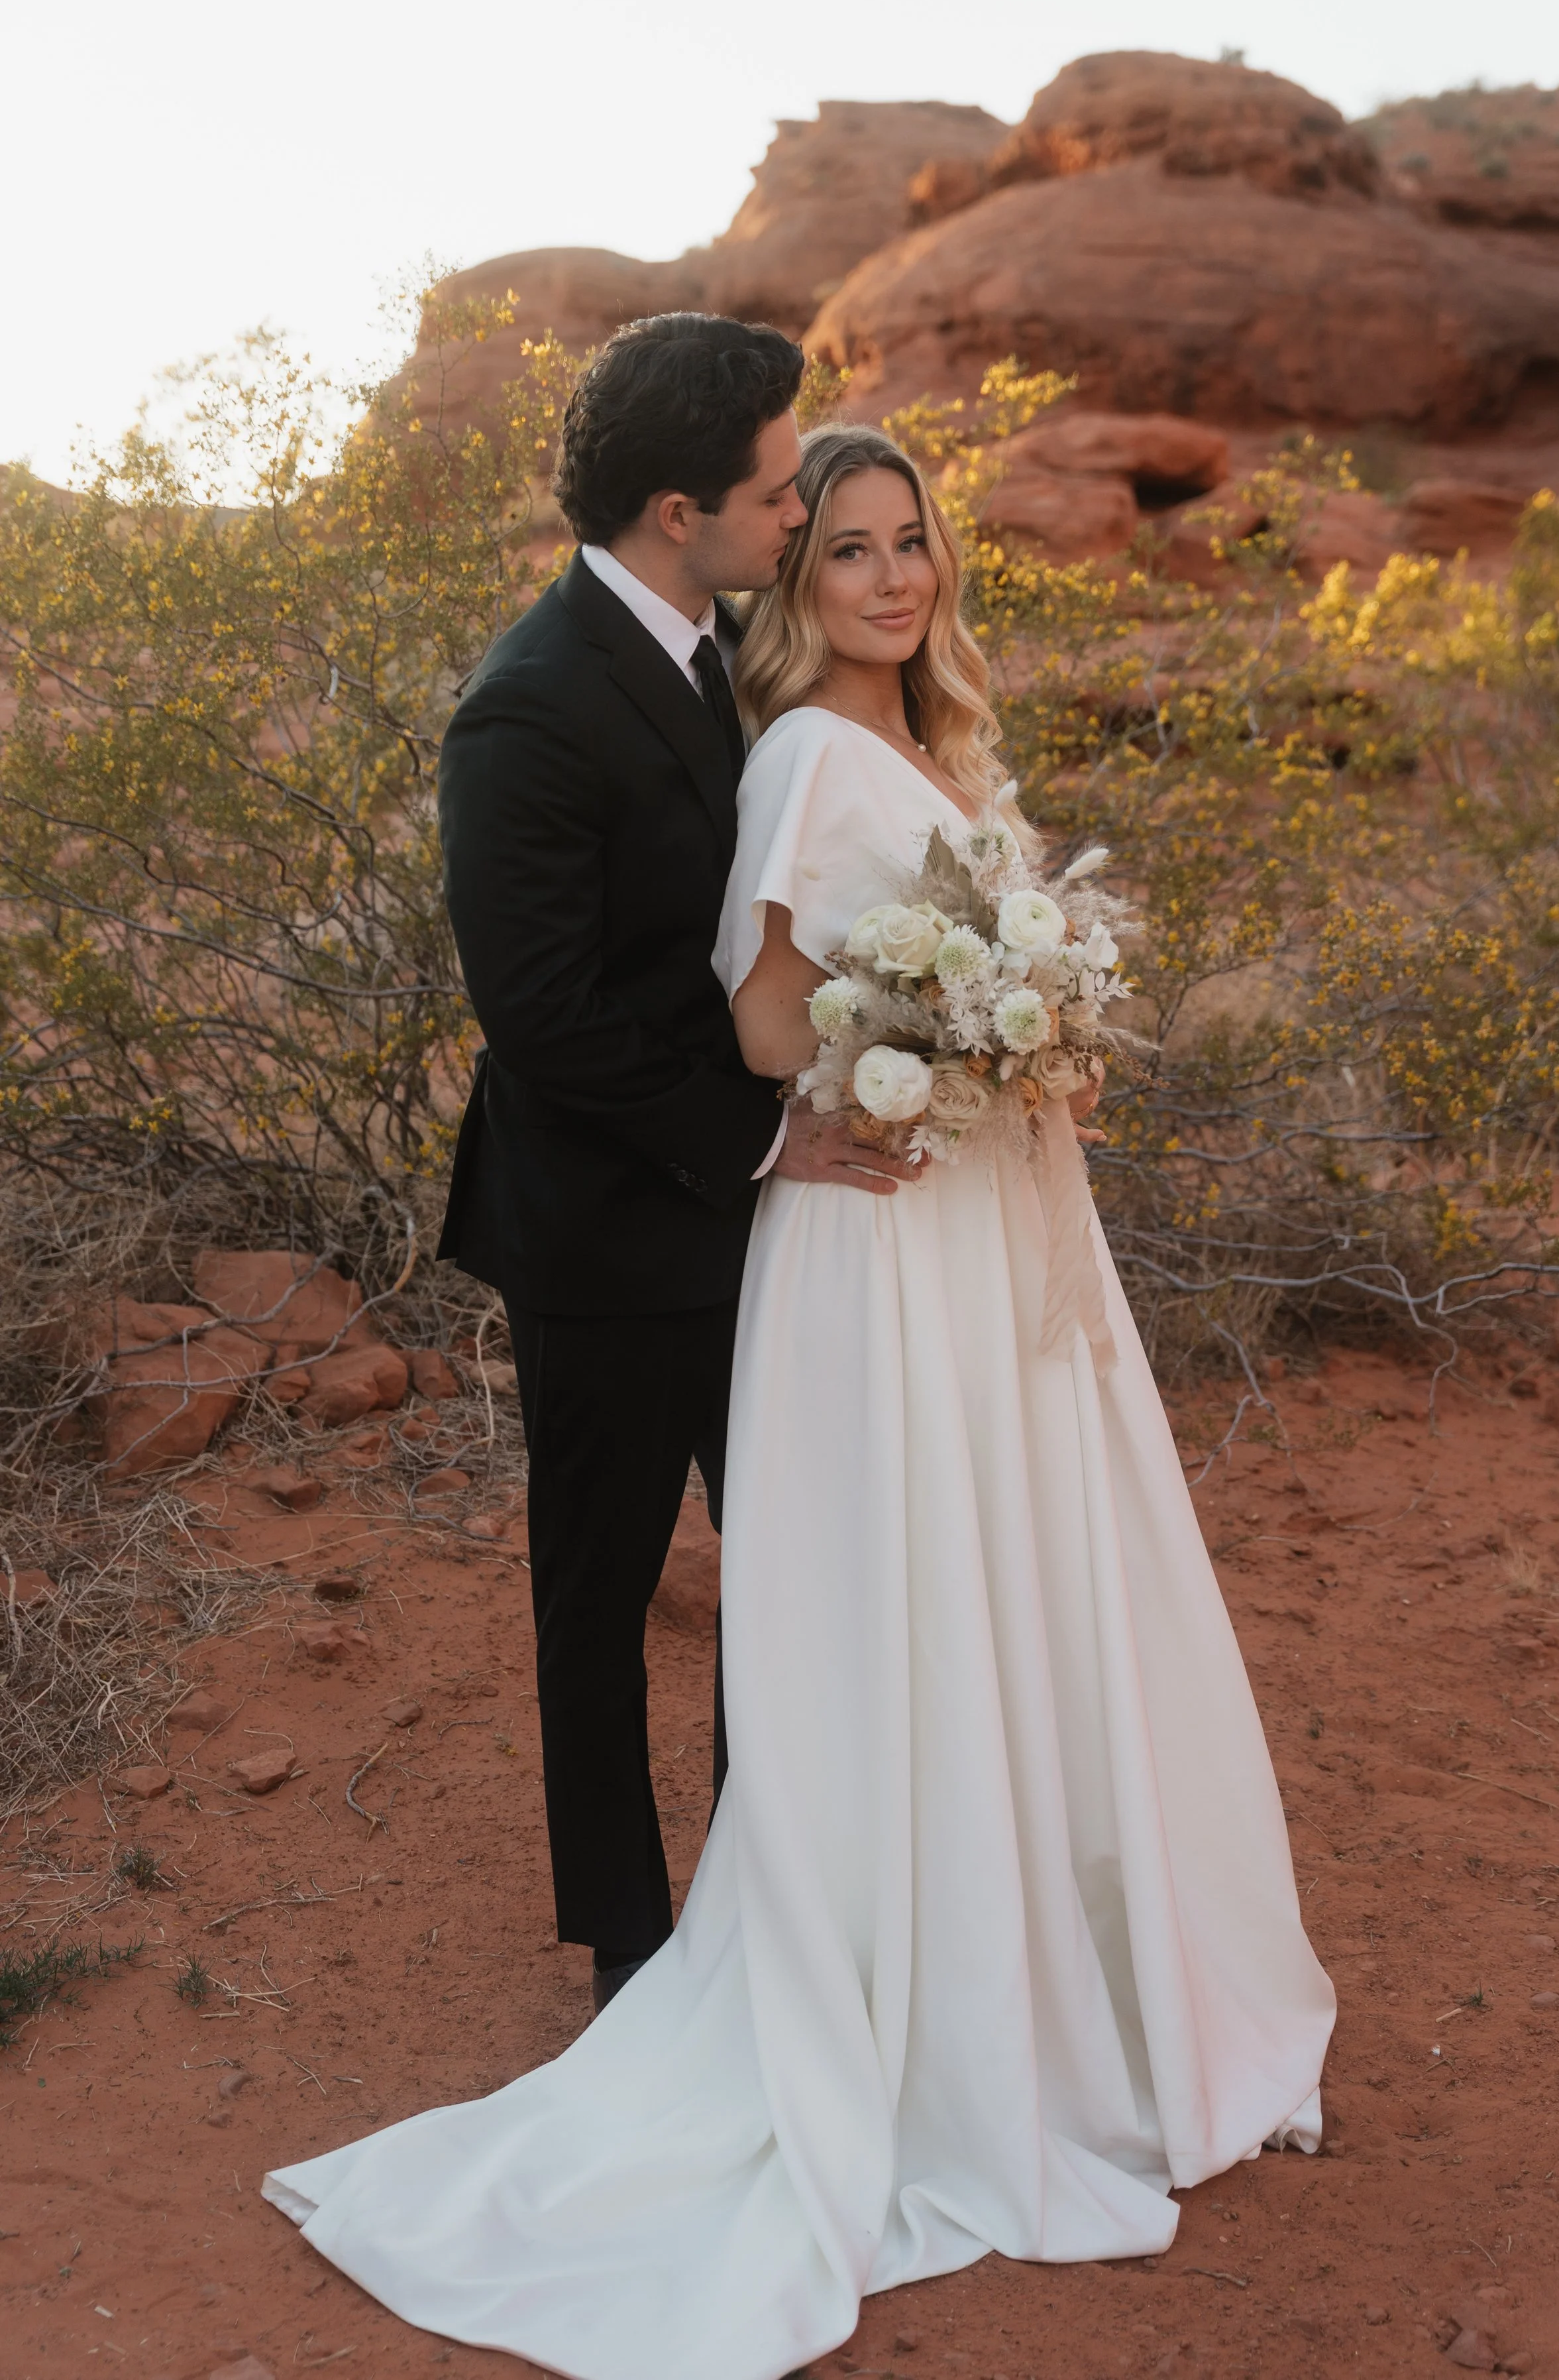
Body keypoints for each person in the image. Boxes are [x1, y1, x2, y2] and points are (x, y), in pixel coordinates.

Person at [266, 421, 1335, 2380]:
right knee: (886, 1586)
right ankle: (853, 1978)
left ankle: (1054, 1962)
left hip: (1004, 1222)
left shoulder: (938, 748)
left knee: (1024, 1571)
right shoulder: (800, 757)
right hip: (883, 1234)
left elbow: (935, 972)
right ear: (780, 569)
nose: (883, 575)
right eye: (838, 545)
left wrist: (1043, 1043)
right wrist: (923, 1047)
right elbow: (770, 1018)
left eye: (906, 540)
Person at [431, 314, 916, 2017]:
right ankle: (631, 1943)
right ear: (670, 511)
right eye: (778, 498)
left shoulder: (721, 648)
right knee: (601, 1590)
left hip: (756, 1225)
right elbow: (546, 1017)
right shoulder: (526, 709)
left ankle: (759, 1905)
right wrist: (771, 1134)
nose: (797, 519)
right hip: (605, 1235)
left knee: (782, 1563)